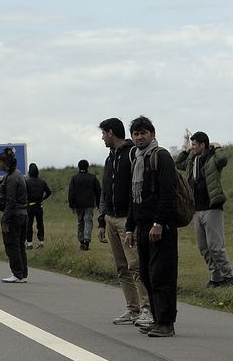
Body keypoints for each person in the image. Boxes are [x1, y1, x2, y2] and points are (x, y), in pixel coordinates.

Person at [124, 116, 178, 337]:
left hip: (160, 226)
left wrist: (159, 223)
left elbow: (168, 194)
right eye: (136, 134)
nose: (139, 137)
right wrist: (130, 227)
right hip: (143, 226)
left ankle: (166, 323)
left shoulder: (161, 157)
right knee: (146, 274)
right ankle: (157, 319)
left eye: (143, 133)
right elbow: (133, 197)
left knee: (161, 275)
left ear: (153, 134)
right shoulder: (136, 158)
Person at [98, 117, 153, 327]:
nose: (102, 137)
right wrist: (102, 220)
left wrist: (133, 219)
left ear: (111, 132)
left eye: (103, 133)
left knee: (136, 265)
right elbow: (104, 190)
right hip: (111, 218)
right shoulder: (109, 158)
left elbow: (136, 188)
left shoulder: (132, 154)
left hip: (127, 219)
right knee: (121, 267)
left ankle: (147, 308)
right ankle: (133, 308)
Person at [175, 130, 233, 288]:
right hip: (196, 209)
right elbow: (178, 164)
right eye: (191, 144)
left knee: (215, 246)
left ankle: (228, 276)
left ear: (203, 145)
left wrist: (219, 147)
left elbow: (223, 160)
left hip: (212, 207)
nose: (192, 147)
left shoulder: (213, 157)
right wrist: (185, 150)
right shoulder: (192, 160)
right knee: (203, 247)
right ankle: (216, 277)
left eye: (194, 144)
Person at [0, 148, 29, 283]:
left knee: (12, 245)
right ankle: (22, 272)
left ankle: (17, 273)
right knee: (20, 245)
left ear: (6, 163)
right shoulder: (18, 175)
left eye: (0, 162)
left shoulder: (11, 179)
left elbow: (10, 200)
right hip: (22, 214)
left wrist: (5, 220)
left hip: (14, 215)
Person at [68, 159, 101, 250]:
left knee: (80, 222)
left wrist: (72, 204)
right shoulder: (92, 177)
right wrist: (98, 204)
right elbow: (98, 191)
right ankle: (87, 240)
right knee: (88, 221)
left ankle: (81, 241)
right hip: (89, 204)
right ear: (87, 167)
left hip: (78, 205)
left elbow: (71, 192)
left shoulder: (74, 178)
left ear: (79, 167)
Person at [25, 163, 51, 250]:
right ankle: (41, 242)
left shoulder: (27, 182)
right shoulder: (42, 182)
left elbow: (23, 193)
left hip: (30, 206)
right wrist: (43, 199)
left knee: (29, 224)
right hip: (39, 205)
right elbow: (49, 192)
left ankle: (29, 243)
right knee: (40, 224)